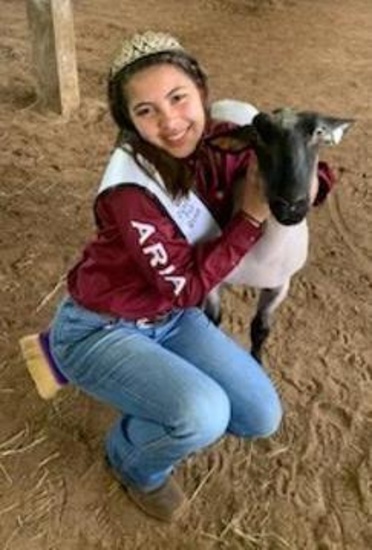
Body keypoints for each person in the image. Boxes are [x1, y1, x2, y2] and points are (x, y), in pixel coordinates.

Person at [47, 30, 334, 522]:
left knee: (260, 415)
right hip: (104, 325)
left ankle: (156, 393)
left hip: (171, 320)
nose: (171, 121)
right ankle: (131, 461)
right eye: (146, 111)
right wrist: (248, 218)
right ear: (130, 123)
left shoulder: (220, 139)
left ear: (201, 92)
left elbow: (305, 171)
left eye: (178, 98)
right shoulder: (129, 191)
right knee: (203, 415)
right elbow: (185, 287)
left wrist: (304, 175)